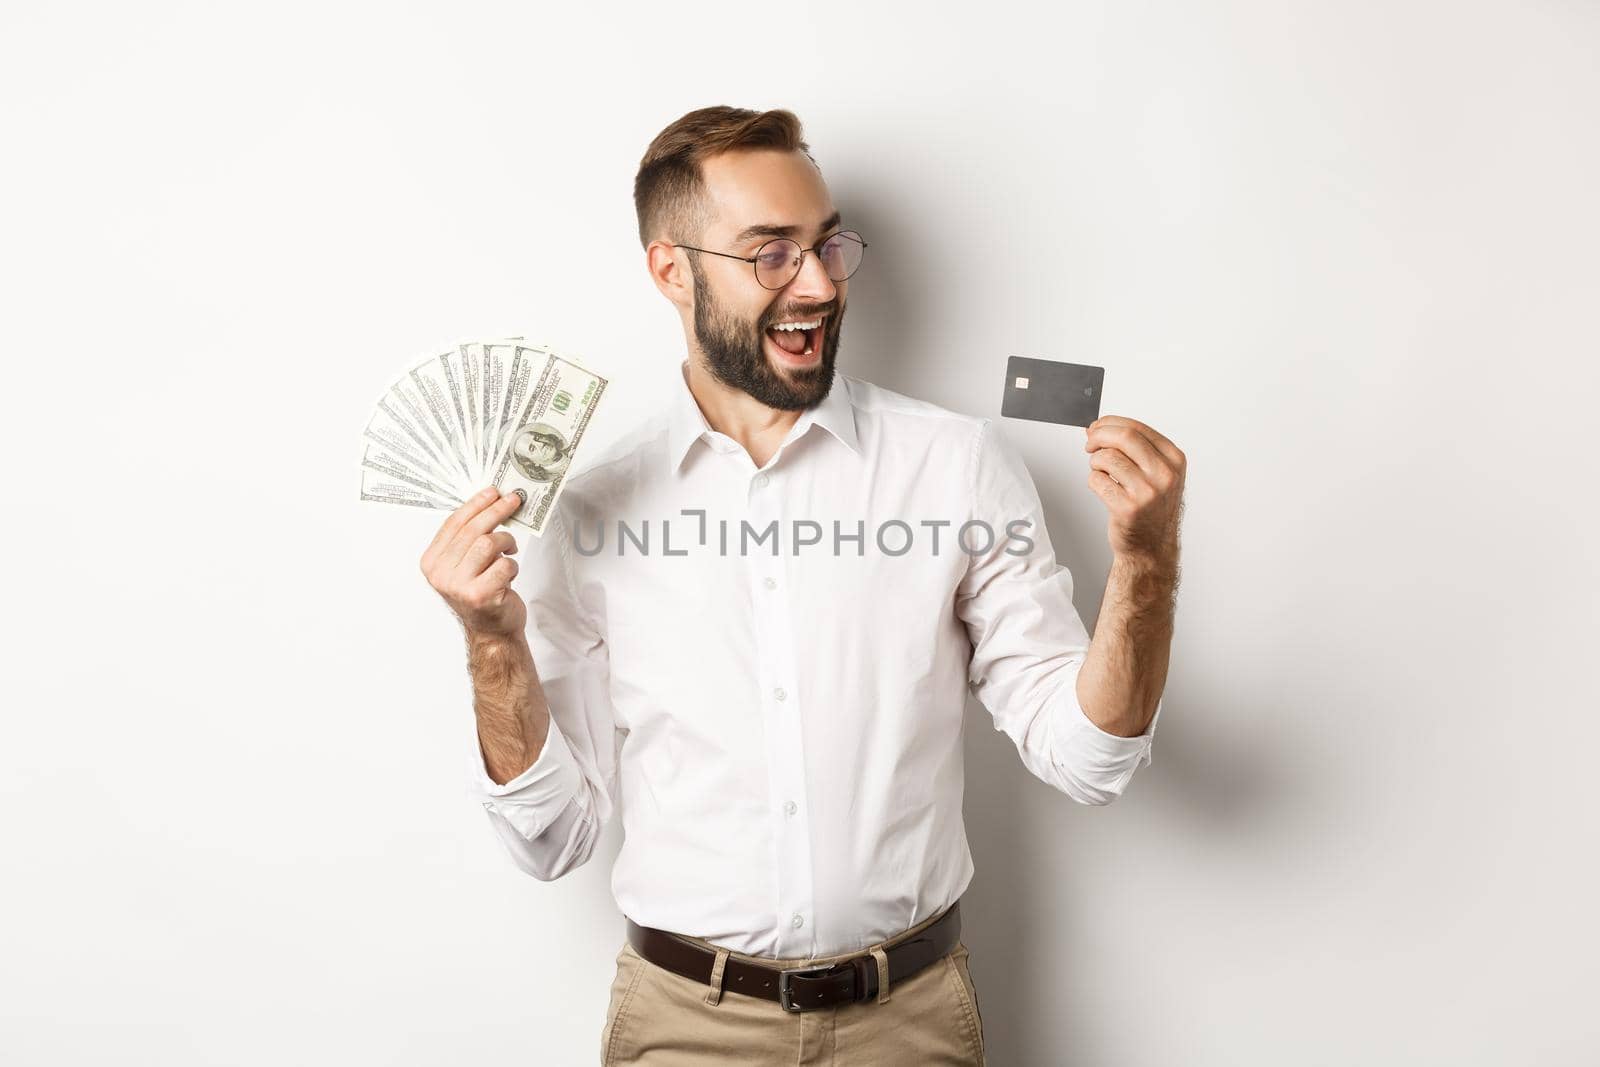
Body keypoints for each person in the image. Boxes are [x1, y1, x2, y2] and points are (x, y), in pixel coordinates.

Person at [419, 106, 1186, 1066]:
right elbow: (550, 839)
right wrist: (493, 644)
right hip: (683, 1028)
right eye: (770, 254)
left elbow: (1089, 760)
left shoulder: (954, 467)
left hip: (907, 1024)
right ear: (672, 270)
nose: (818, 285)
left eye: (828, 245)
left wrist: (1147, 565)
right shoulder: (590, 507)